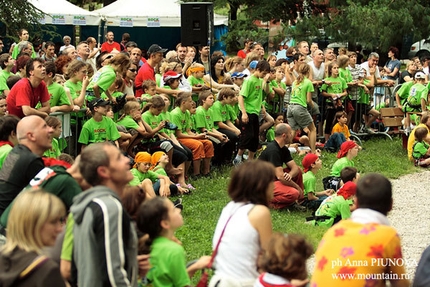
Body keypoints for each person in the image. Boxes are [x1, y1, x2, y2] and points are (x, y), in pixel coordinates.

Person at [310, 173, 410, 287]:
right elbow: (400, 282)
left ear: (356, 202)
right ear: (391, 205)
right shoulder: (388, 236)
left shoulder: (333, 232)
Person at [69, 142, 142, 287]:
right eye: (119, 158)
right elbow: (111, 275)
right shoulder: (108, 208)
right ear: (104, 172)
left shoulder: (88, 205)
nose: (128, 160)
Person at [210, 160, 275, 287]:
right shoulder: (260, 212)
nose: (274, 185)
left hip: (220, 280)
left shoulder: (230, 207)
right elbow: (270, 257)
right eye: (272, 181)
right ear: (262, 185)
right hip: (244, 282)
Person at [136, 197, 210, 286]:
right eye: (173, 210)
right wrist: (195, 267)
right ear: (165, 224)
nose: (178, 211)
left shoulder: (145, 245)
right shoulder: (174, 251)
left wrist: (194, 267)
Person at [0, 190, 66, 287]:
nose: (60, 229)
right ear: (33, 224)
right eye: (53, 222)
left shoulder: (3, 259)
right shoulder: (46, 270)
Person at [0, 115, 53, 217]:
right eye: (44, 127)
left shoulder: (17, 152)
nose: (50, 130)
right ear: (31, 136)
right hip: (11, 223)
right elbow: (43, 199)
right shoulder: (31, 160)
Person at [233, 60, 271, 164]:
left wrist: (262, 106)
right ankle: (238, 157)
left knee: (255, 137)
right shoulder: (249, 80)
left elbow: (265, 92)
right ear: (258, 70)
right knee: (247, 136)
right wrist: (244, 113)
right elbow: (241, 96)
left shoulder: (260, 80)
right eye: (263, 73)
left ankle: (250, 160)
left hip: (255, 111)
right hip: (248, 111)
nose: (264, 75)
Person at [259, 123, 304, 210]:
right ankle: (267, 202)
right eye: (290, 133)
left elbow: (295, 168)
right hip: (263, 184)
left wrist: (290, 175)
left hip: (273, 178)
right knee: (293, 193)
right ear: (284, 135)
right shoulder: (273, 150)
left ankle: (299, 200)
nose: (292, 135)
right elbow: (280, 177)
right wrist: (297, 187)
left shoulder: (283, 149)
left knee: (297, 171)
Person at [286, 62, 317, 154]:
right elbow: (308, 100)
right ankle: (313, 151)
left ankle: (283, 150)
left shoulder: (295, 82)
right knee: (313, 129)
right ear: (308, 71)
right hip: (299, 107)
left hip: (290, 107)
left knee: (292, 130)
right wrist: (313, 106)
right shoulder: (308, 83)